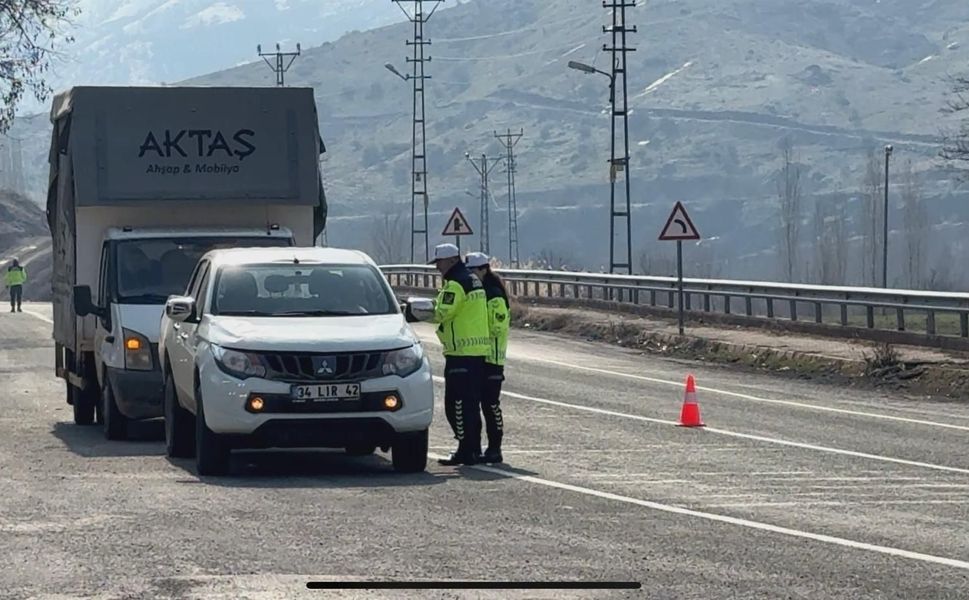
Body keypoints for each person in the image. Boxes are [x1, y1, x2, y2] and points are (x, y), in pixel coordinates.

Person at [428, 243, 490, 466]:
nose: (437, 268)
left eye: (439, 263)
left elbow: (442, 313)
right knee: (471, 404)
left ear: (451, 261)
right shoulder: (472, 279)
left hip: (460, 352)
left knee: (456, 405)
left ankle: (465, 449)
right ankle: (473, 449)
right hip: (477, 351)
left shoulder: (456, 283)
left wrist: (413, 312)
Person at [465, 252, 510, 464]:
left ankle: (495, 448)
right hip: (479, 358)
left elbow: (497, 326)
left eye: (473, 270)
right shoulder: (480, 293)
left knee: (491, 405)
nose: (471, 275)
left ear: (483, 269)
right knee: (476, 404)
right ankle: (476, 447)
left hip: (492, 360)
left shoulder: (494, 295)